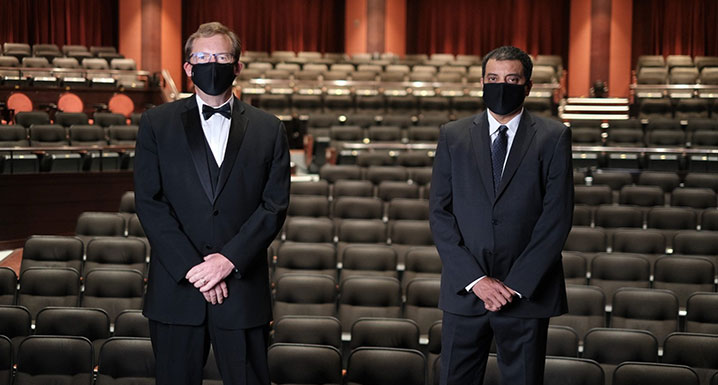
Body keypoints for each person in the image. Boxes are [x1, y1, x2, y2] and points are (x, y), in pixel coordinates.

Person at [134, 22, 290, 385]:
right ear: (188, 68)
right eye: (202, 57)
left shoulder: (270, 129)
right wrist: (197, 270)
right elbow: (150, 202)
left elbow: (274, 206)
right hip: (177, 289)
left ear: (236, 66)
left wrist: (227, 261)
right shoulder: (156, 123)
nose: (212, 64)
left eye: (221, 56)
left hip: (242, 290)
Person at [429, 46, 573, 385]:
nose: (501, 85)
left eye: (511, 79)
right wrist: (478, 281)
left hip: (526, 294)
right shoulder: (453, 135)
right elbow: (440, 213)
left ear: (528, 86)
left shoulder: (554, 137)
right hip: (466, 290)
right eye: (493, 78)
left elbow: (556, 218)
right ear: (482, 81)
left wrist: (514, 287)